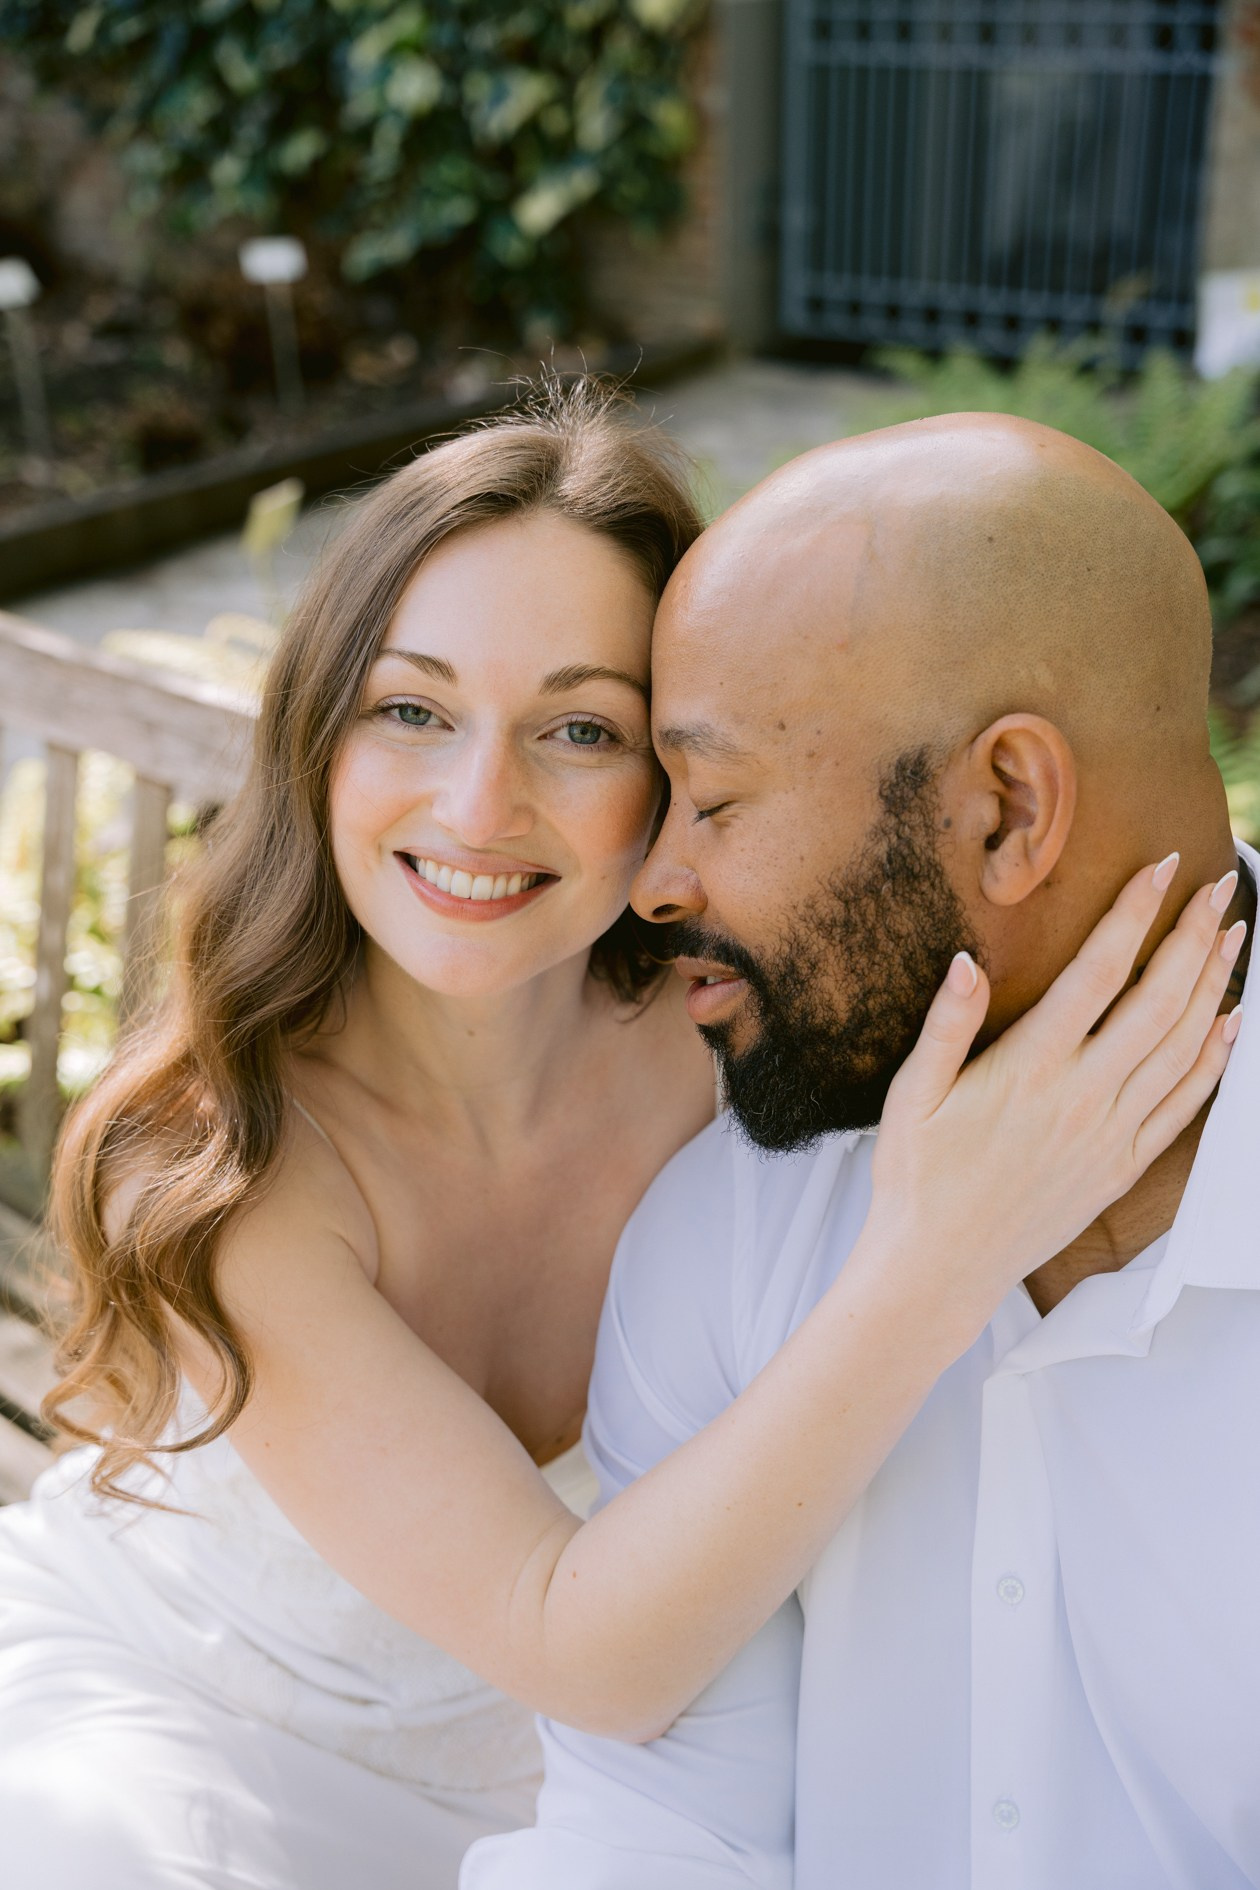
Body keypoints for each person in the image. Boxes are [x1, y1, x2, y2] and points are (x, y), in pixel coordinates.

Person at [0, 388, 1236, 1890]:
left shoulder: (768, 1038)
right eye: (411, 709)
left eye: (582, 729)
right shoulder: (231, 1167)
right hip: (202, 1720)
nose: (479, 803)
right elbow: (576, 1647)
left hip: (579, 1785)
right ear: (318, 732)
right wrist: (942, 1251)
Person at [463, 413, 1259, 1890]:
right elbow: (657, 1835)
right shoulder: (723, 1227)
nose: (656, 883)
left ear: (1008, 810)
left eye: (714, 799)